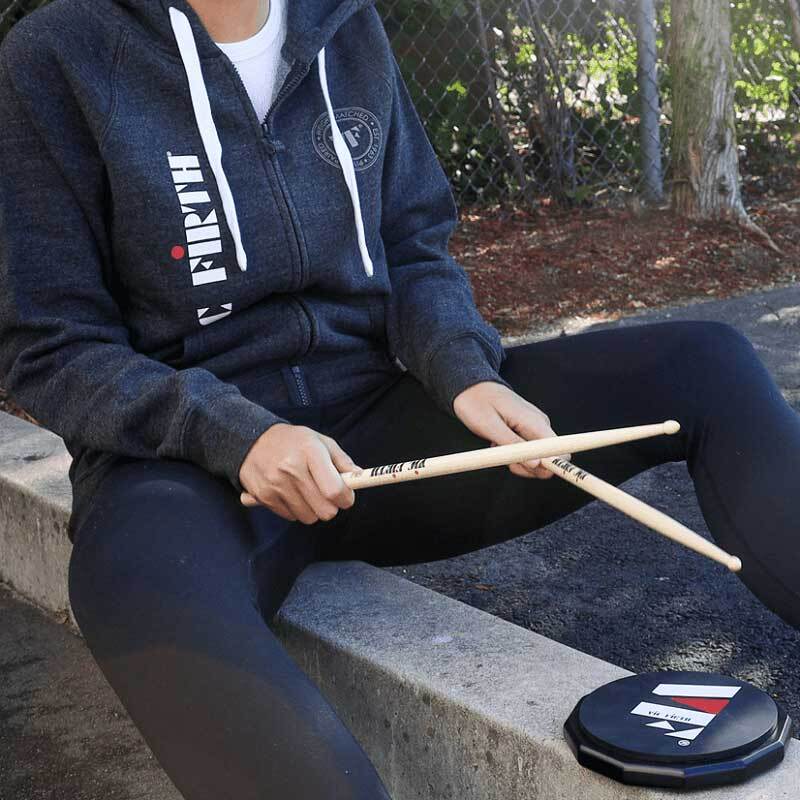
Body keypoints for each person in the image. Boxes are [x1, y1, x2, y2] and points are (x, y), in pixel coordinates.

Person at [0, 0, 798, 797]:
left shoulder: (344, 24)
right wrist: (237, 434)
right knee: (135, 583)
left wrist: (466, 372)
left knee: (706, 362)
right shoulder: (57, 55)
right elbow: (49, 343)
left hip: (375, 423)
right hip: (190, 469)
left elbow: (414, 245)